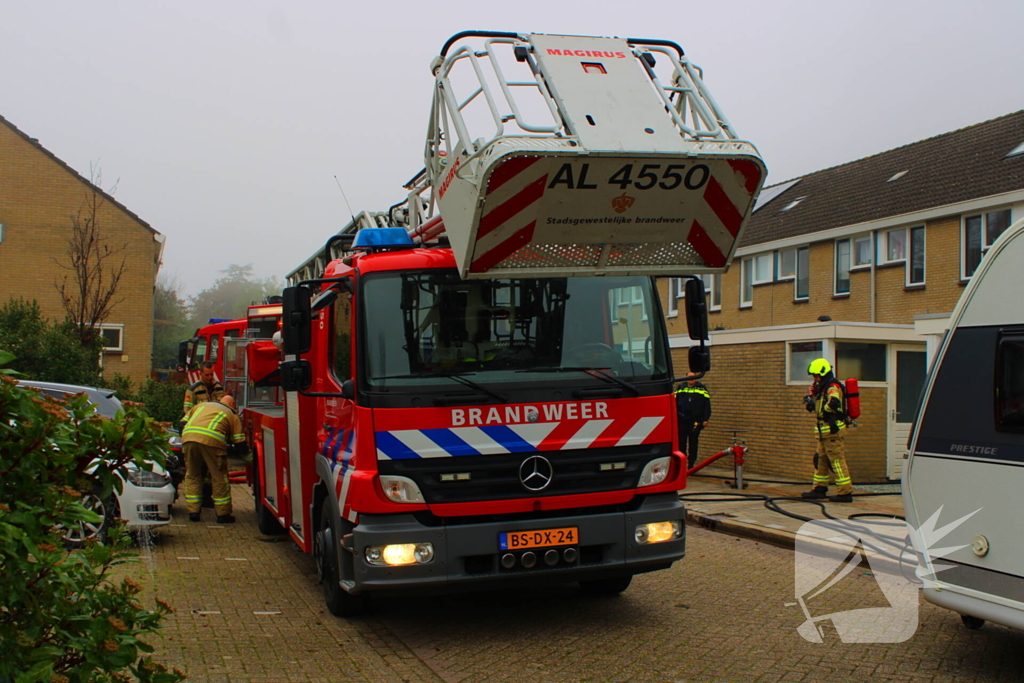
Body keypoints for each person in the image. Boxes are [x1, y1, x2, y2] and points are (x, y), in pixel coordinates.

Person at [181, 394, 247, 523]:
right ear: (232, 404)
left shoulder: (200, 406)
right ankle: (223, 514)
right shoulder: (231, 414)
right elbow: (239, 442)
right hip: (212, 442)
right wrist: (250, 459)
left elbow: (182, 423)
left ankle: (193, 512)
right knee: (219, 477)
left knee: (192, 475)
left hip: (188, 438)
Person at [801, 358, 853, 503]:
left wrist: (825, 409)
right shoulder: (823, 388)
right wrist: (812, 395)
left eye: (816, 376)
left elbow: (834, 402)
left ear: (823, 373)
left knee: (836, 461)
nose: (815, 379)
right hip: (823, 432)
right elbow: (813, 407)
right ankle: (819, 489)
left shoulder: (832, 387)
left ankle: (845, 493)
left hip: (832, 431)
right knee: (820, 460)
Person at [675, 371, 712, 469]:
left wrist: (705, 419)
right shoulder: (680, 388)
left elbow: (706, 404)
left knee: (693, 443)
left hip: (695, 420)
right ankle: (682, 463)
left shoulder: (701, 388)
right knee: (681, 443)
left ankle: (691, 464)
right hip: (682, 420)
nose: (691, 379)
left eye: (693, 377)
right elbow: (674, 402)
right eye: (689, 377)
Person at [181, 362, 225, 428]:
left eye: (211, 374)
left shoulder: (219, 387)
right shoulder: (193, 390)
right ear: (200, 374)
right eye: (207, 375)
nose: (210, 377)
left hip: (217, 422)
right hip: (200, 423)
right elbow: (188, 411)